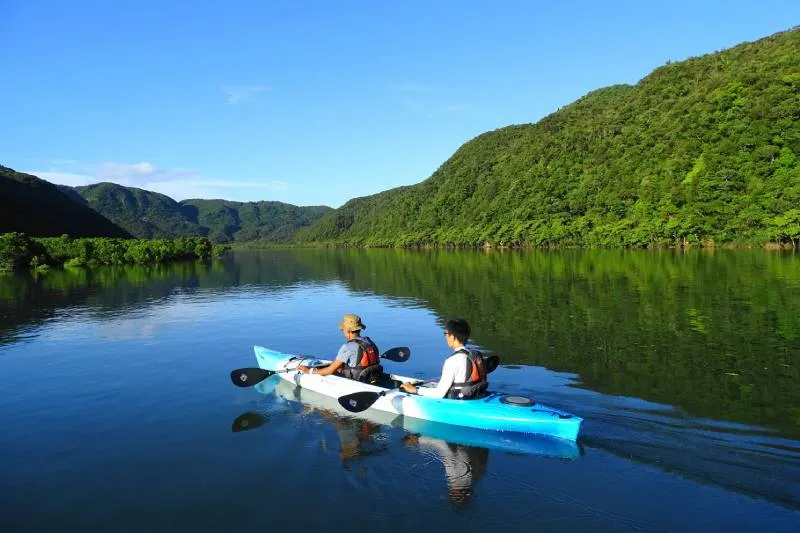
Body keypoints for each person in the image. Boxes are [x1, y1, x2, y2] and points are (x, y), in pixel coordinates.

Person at [400, 318, 488, 399]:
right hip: (475, 395)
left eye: (446, 334)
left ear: (452, 337)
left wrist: (415, 390)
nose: (445, 337)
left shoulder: (452, 361)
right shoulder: (475, 355)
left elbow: (439, 394)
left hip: (459, 401)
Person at [298, 313, 383, 383]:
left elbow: (330, 370)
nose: (342, 331)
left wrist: (309, 371)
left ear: (348, 331)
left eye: (342, 330)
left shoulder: (347, 347)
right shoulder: (369, 342)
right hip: (371, 377)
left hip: (356, 381)